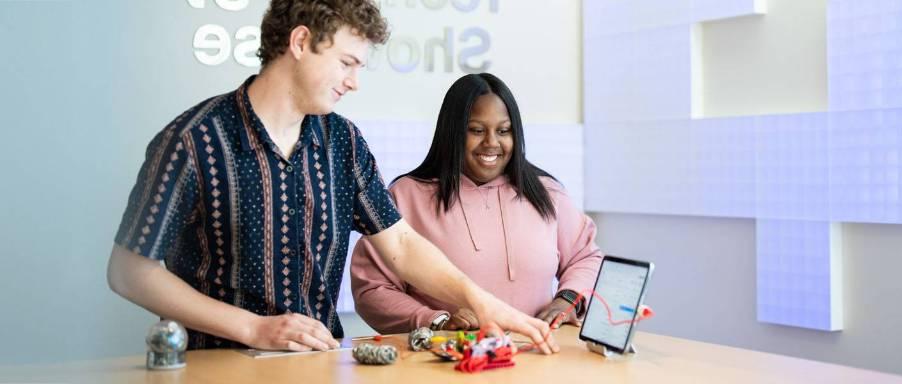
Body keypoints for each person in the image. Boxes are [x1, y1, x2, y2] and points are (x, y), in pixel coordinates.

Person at [106, 0, 557, 354]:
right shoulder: (193, 140)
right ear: (301, 42)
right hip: (216, 365)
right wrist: (254, 328)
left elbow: (399, 245)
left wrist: (480, 301)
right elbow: (129, 272)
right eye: (346, 63)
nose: (354, 81)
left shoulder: (342, 140)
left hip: (319, 362)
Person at [350, 73, 603, 334]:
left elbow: (586, 257)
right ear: (453, 133)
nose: (492, 143)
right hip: (443, 364)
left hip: (537, 359)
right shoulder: (405, 196)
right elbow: (373, 288)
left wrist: (569, 298)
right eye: (477, 130)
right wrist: (434, 321)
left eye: (503, 131)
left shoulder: (547, 193)